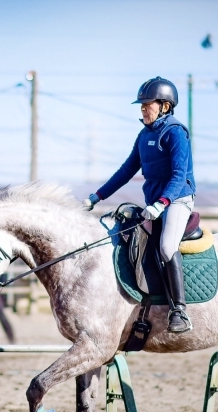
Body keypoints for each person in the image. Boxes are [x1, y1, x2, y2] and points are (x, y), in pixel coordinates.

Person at [83, 76, 196, 334]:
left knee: (167, 246)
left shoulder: (176, 133)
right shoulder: (144, 135)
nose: (144, 108)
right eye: (142, 105)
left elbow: (179, 175)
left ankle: (179, 310)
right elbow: (126, 171)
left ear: (164, 106)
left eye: (148, 104)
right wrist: (96, 197)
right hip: (155, 202)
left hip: (177, 199)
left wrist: (162, 203)